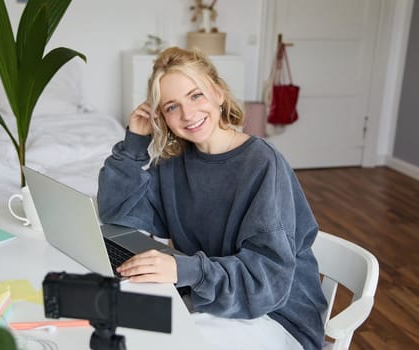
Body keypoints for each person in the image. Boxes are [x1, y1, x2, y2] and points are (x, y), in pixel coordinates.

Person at [97, 47, 326, 350]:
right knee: (118, 331)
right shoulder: (173, 163)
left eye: (196, 96)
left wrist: (184, 270)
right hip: (209, 301)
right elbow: (115, 211)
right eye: (171, 107)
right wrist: (135, 142)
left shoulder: (261, 164)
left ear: (218, 93)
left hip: (274, 316)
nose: (188, 115)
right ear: (160, 116)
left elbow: (267, 284)